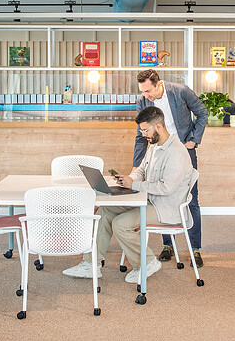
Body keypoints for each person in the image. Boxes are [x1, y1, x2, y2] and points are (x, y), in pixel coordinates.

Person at [62, 106, 196, 283]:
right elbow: (141, 170)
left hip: (166, 208)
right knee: (104, 212)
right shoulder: (154, 146)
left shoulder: (176, 152)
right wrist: (128, 179)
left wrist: (134, 184)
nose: (143, 134)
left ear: (158, 126)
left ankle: (147, 263)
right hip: (149, 200)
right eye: (141, 130)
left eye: (145, 130)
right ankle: (91, 263)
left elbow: (166, 188)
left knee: (121, 224)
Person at [133, 69, 208, 267]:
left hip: (183, 150)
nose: (145, 96)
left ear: (158, 84)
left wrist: (194, 139)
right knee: (160, 197)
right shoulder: (143, 100)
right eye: (143, 92)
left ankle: (195, 248)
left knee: (190, 198)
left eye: (148, 91)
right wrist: (136, 165)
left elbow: (202, 112)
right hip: (159, 152)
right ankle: (168, 245)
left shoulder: (181, 91)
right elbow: (141, 134)